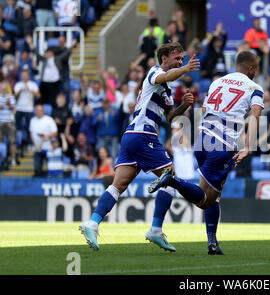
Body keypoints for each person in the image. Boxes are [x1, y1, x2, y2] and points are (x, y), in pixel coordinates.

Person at [79, 42, 204, 252]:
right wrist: (185, 69)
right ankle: (155, 230)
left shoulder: (166, 87)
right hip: (143, 134)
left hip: (131, 137)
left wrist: (184, 105)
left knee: (119, 184)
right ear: (164, 58)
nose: (180, 62)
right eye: (177, 58)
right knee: (169, 178)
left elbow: (169, 117)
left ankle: (91, 224)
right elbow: (167, 75)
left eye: (182, 59)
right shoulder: (155, 73)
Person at [153, 50, 264, 255]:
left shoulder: (217, 82)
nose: (256, 72)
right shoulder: (254, 88)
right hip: (222, 145)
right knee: (206, 200)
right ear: (250, 69)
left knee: (215, 195)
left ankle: (212, 243)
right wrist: (248, 145)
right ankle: (172, 180)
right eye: (256, 68)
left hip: (202, 140)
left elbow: (204, 110)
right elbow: (255, 115)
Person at [29, 104, 58, 177]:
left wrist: (47, 136)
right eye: (37, 110)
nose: (39, 112)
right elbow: (31, 133)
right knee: (37, 170)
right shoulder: (32, 120)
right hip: (37, 149)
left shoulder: (49, 119)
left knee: (51, 169)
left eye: (40, 110)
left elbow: (55, 132)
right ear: (35, 112)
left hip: (48, 148)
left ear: (43, 111)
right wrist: (35, 146)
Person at [0, 80, 17, 167]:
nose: (4, 90)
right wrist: (3, 105)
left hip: (10, 122)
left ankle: (13, 159)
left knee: (12, 142)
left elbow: (13, 109)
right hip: (0, 122)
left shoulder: (11, 97)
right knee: (0, 143)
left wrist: (9, 103)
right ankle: (2, 160)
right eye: (2, 89)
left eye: (5, 88)